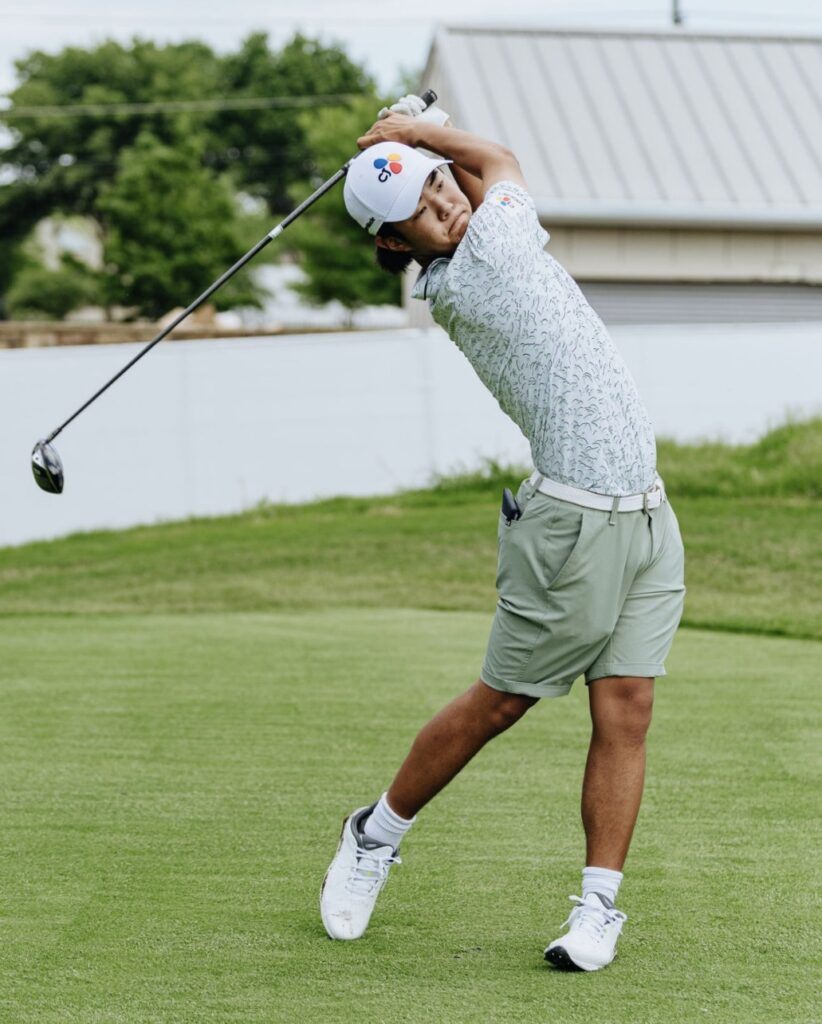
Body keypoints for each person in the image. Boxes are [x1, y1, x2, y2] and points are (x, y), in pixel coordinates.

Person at [320, 95, 686, 972]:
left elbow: (477, 173)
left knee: (627, 710)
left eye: (438, 184)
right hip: (570, 527)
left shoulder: (480, 237)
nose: (444, 200)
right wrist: (422, 130)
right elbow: (499, 160)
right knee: (502, 702)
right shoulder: (483, 264)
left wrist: (419, 136)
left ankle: (597, 910)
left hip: (647, 514)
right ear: (394, 245)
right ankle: (374, 834)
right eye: (419, 206)